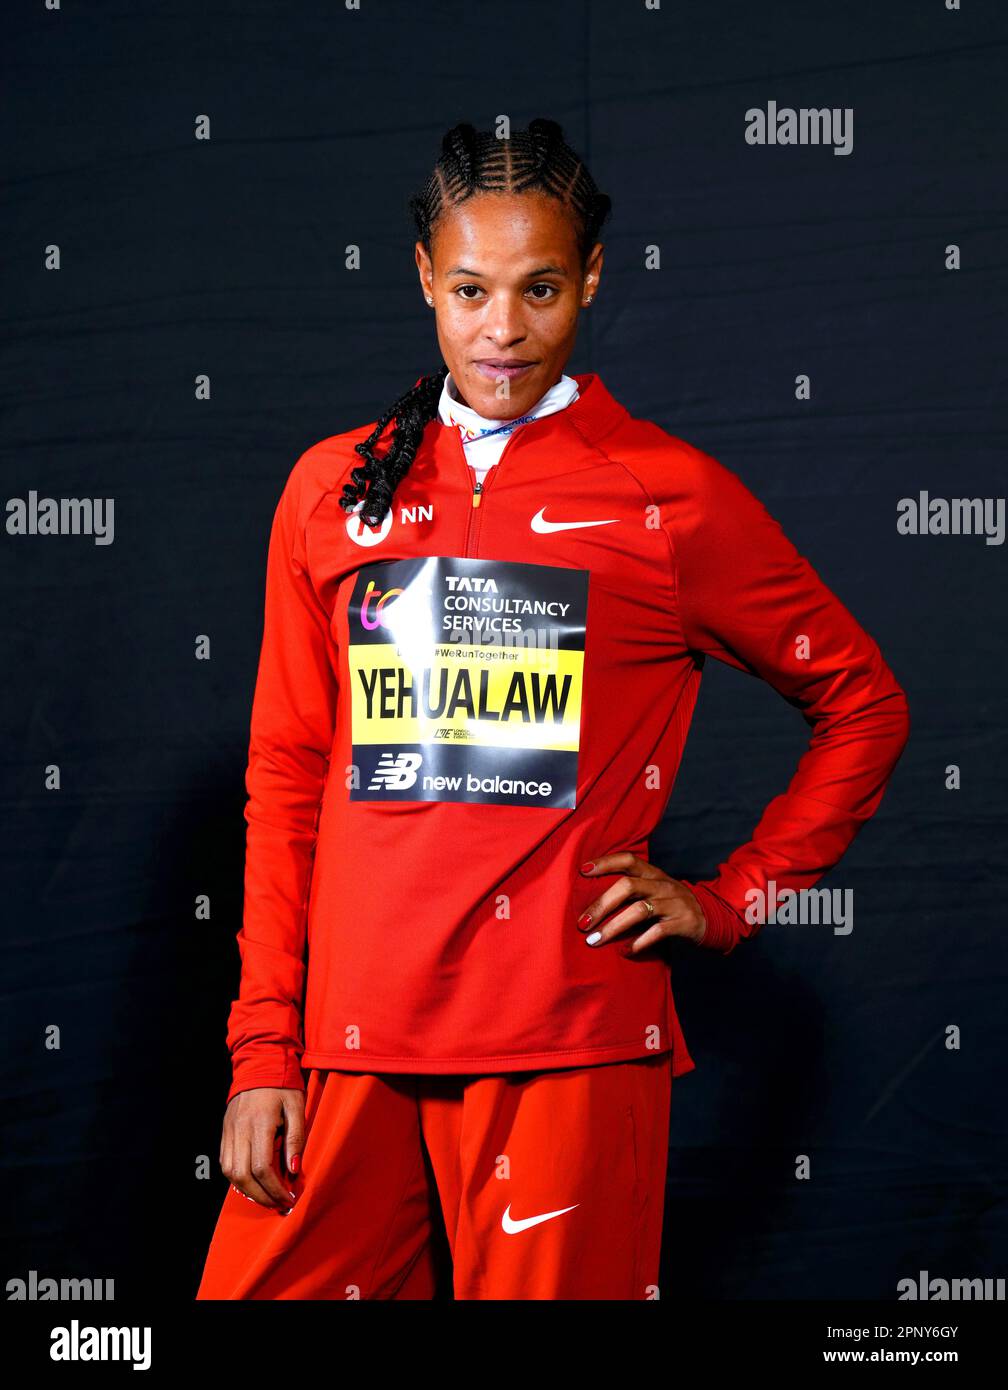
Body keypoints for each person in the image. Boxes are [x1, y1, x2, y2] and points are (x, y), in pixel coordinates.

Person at [196, 118, 910, 1301]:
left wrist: (731, 902)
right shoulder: (332, 489)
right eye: (470, 289)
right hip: (350, 1049)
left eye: (539, 289)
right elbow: (286, 774)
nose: (503, 329)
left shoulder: (667, 496)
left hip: (567, 1049)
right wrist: (263, 1043)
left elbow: (864, 705)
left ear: (589, 278)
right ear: (425, 277)